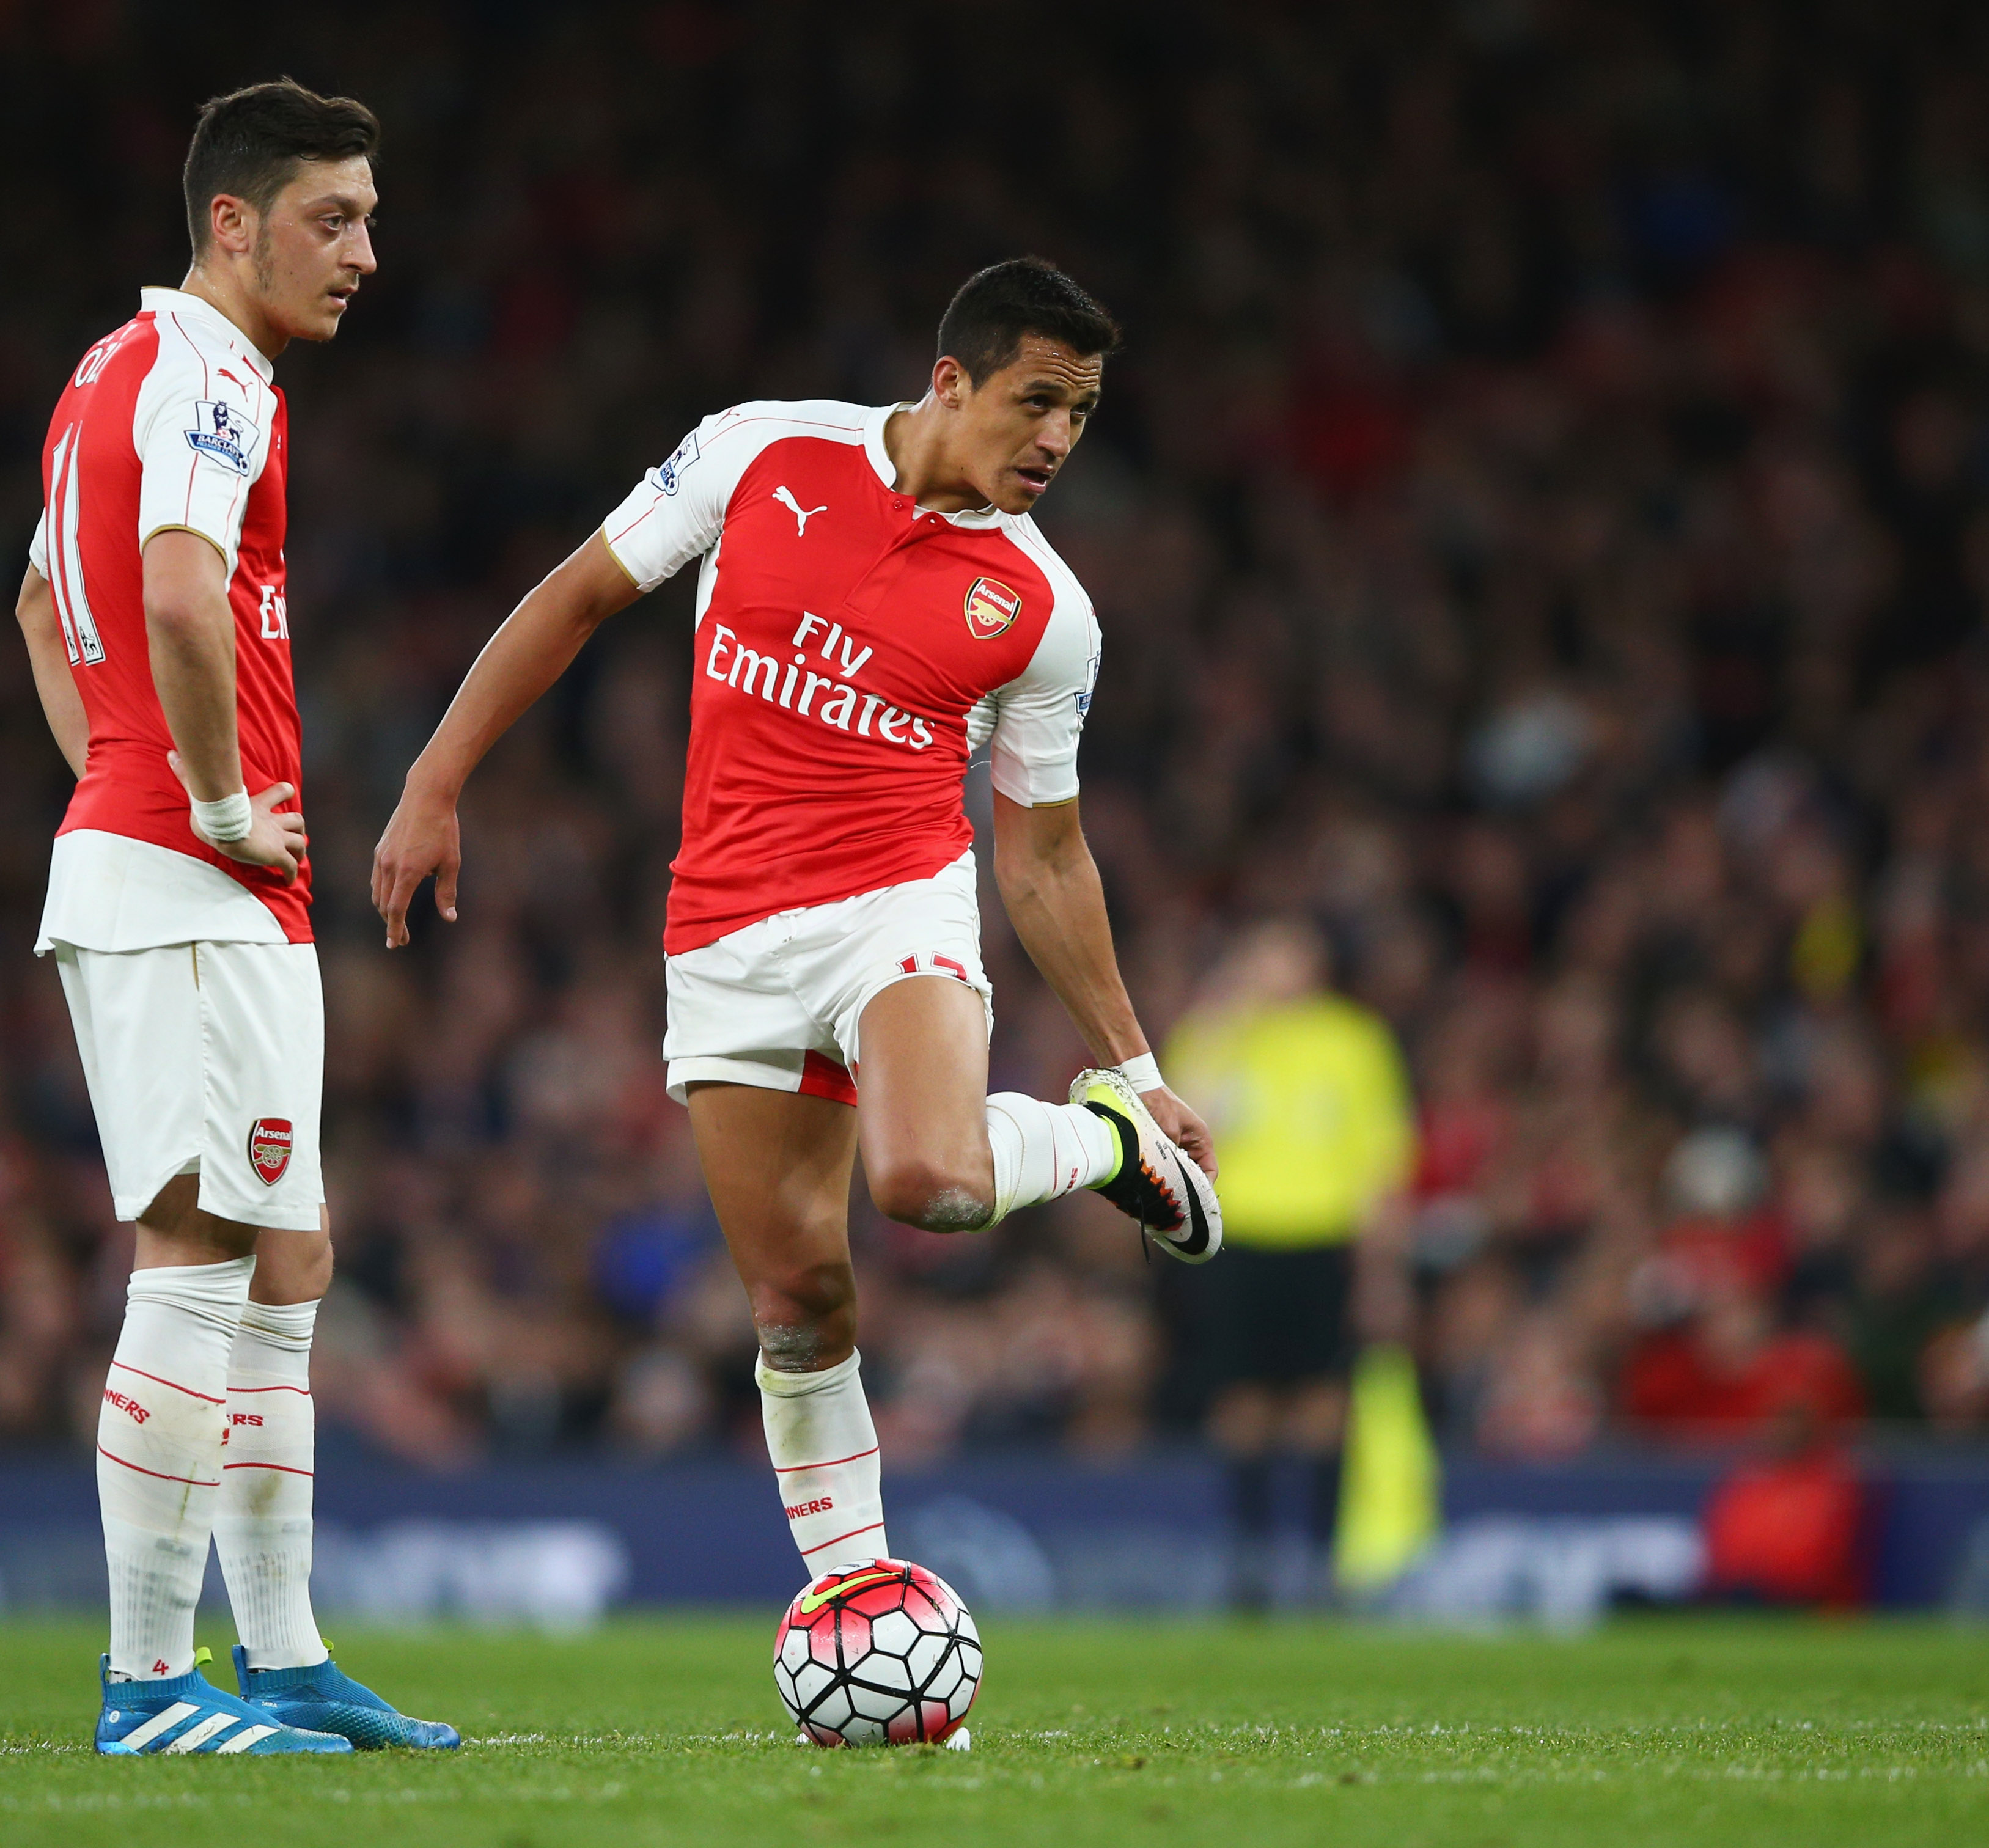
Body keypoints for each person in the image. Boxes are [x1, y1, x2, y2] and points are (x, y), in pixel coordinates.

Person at [373, 258, 1222, 1588]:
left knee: (926, 1181)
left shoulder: (1046, 613)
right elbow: (575, 597)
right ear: (949, 380)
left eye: (1082, 412)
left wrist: (1137, 1068)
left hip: (895, 905)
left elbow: (1044, 859)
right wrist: (435, 778)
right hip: (720, 929)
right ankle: (855, 1601)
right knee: (795, 1301)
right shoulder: (758, 450)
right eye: (1036, 401)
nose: (1058, 439)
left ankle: (1095, 1141)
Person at [12, 78, 454, 1756]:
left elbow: (46, 612)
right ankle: (144, 1688)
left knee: (289, 1250)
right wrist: (188, 799)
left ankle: (279, 1659)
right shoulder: (207, 372)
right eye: (330, 219)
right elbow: (180, 595)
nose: (362, 252)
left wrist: (125, 772)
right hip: (191, 874)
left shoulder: (100, 373)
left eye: (367, 217)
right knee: (194, 1253)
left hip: (194, 874)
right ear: (229, 222)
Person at [1162, 917, 1415, 1608]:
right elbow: (1178, 1125)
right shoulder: (1213, 1033)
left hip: (1324, 1239)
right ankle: (1250, 1564)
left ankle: (1322, 1565)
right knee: (1242, 1400)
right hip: (1236, 1238)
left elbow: (1381, 1162)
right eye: (1263, 953)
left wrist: (1380, 1269)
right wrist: (1222, 1023)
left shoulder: (1354, 1040)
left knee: (1323, 1402)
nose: (1277, 967)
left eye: (1290, 953)